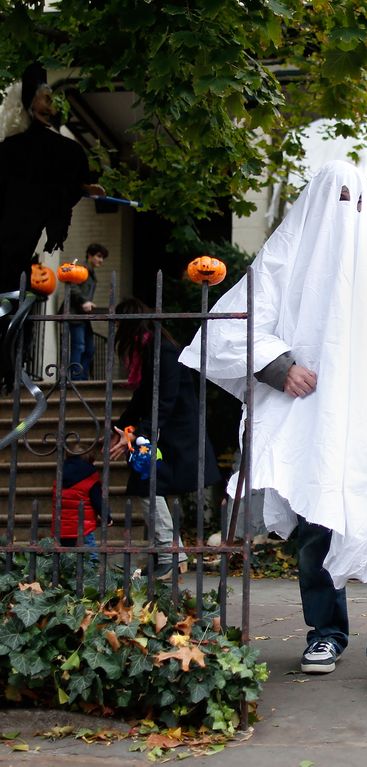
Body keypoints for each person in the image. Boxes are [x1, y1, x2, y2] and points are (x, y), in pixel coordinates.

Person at [179, 161, 367, 684]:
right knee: (316, 526)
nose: (346, 212)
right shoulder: (288, 258)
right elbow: (230, 327)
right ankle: (326, 632)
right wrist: (279, 366)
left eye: (357, 200)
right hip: (313, 420)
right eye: (338, 199)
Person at [109, 297, 220, 581]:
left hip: (175, 435)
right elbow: (143, 397)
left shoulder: (164, 352)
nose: (116, 328)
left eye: (119, 321)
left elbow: (164, 400)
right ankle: (171, 554)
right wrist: (120, 428)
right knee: (146, 484)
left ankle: (170, 554)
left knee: (146, 485)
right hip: (162, 433)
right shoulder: (149, 351)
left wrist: (138, 433)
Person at [0, 63, 105, 294]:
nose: (51, 104)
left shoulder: (60, 149)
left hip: (23, 234)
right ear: (29, 102)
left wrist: (82, 186)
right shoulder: (12, 149)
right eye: (46, 98)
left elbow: (58, 181)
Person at [52, 446, 110, 562]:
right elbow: (97, 500)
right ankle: (92, 575)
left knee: (66, 557)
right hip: (83, 527)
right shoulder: (90, 478)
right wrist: (106, 516)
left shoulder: (60, 475)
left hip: (61, 526)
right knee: (90, 555)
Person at [66, 242, 108, 380]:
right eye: (99, 256)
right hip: (75, 314)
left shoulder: (91, 272)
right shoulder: (81, 269)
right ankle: (75, 379)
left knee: (89, 349)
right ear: (90, 255)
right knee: (79, 346)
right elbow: (71, 287)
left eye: (103, 258)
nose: (101, 260)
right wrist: (84, 301)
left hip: (83, 316)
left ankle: (82, 378)